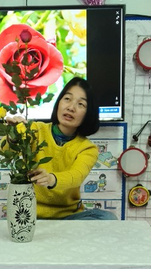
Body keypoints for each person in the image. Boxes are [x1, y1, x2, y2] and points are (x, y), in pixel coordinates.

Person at [26, 77, 117, 220]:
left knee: (108, 218)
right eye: (67, 99)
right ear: (59, 102)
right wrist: (14, 134)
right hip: (30, 215)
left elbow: (76, 176)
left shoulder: (87, 148)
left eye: (81, 104)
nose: (71, 107)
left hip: (69, 217)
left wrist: (51, 179)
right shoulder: (35, 129)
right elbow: (6, 148)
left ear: (88, 113)